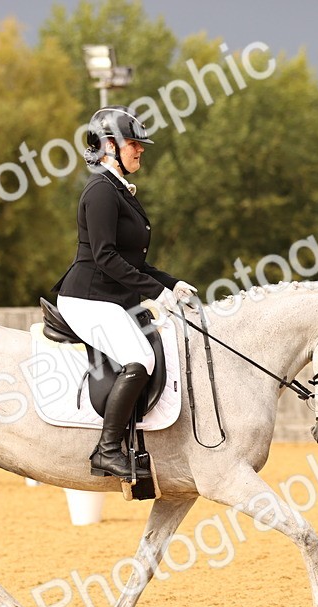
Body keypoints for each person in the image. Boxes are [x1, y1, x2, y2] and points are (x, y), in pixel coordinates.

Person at [51, 106, 197, 479]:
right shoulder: (101, 190)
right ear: (109, 146)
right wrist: (154, 294)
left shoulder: (119, 190)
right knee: (140, 359)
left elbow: (135, 260)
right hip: (88, 296)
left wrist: (171, 284)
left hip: (109, 296)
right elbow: (104, 258)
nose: (140, 150)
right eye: (134, 143)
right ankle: (107, 449)